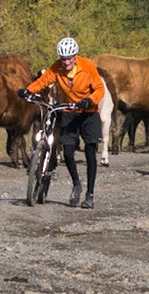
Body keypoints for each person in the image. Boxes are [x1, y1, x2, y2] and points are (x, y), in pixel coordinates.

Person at [19, 36, 105, 208]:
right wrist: (27, 91)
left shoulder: (87, 66)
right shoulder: (57, 68)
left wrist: (89, 100)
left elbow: (99, 89)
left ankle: (90, 195)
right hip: (69, 111)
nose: (65, 62)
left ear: (75, 56)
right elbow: (43, 82)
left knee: (90, 153)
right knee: (67, 153)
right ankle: (76, 184)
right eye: (63, 58)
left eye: (68, 58)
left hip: (88, 112)